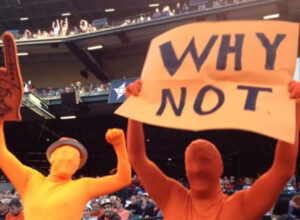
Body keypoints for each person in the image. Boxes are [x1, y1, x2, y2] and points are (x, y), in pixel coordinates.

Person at [0, 31, 131, 220]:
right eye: (65, 153)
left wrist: (120, 146)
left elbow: (123, 178)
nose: (69, 158)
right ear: (52, 157)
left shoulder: (82, 186)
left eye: (75, 158)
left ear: (78, 166)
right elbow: (2, 152)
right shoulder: (30, 179)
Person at [126, 79, 300, 220]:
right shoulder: (173, 196)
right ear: (185, 169)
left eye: (205, 161)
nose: (197, 168)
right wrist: (134, 111)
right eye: (191, 162)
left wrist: (296, 109)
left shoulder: (240, 205)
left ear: (220, 168)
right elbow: (137, 158)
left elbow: (283, 169)